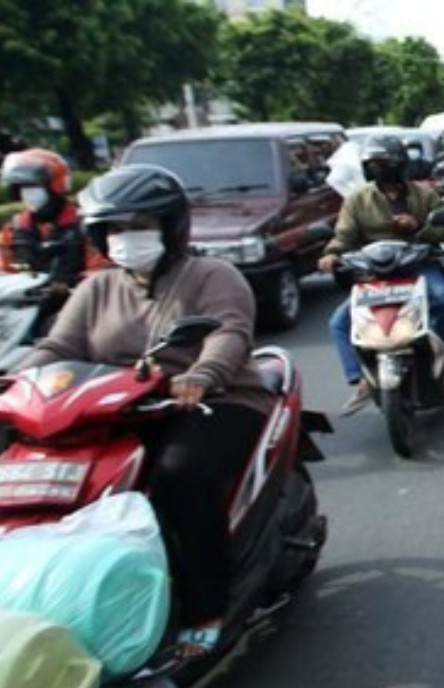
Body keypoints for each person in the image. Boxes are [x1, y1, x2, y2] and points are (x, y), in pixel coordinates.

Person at [18, 164, 272, 660]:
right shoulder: (95, 289)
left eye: (138, 226)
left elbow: (229, 332)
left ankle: (206, 610)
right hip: (115, 411)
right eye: (114, 229)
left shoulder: (211, 275)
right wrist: (13, 384)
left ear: (170, 228)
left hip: (212, 402)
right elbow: (58, 346)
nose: (125, 238)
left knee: (180, 474)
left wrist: (203, 375)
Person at [317, 134, 444, 416]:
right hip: (374, 272)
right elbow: (344, 236)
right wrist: (332, 255)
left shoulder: (424, 195)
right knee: (339, 322)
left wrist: (417, 226)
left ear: (399, 164)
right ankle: (361, 379)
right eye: (372, 165)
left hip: (418, 265)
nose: (378, 170)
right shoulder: (357, 200)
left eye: (384, 164)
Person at [0, 148, 110, 333]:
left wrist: (69, 286)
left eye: (33, 187)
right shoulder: (16, 226)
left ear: (56, 186)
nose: (28, 194)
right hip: (23, 314)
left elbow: (102, 272)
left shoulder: (84, 224)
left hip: (80, 310)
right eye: (23, 189)